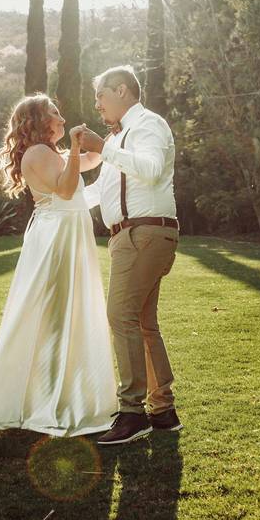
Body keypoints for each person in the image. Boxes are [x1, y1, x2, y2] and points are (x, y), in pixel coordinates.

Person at [0, 94, 118, 436]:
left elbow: (93, 159)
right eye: (54, 113)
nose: (61, 118)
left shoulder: (50, 153)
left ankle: (61, 392)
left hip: (63, 233)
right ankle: (49, 399)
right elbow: (66, 187)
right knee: (56, 314)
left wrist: (111, 138)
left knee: (62, 313)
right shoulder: (41, 153)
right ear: (37, 122)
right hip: (58, 238)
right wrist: (74, 149)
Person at [80, 66, 182, 446]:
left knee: (119, 315)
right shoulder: (120, 138)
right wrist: (55, 198)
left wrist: (102, 148)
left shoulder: (147, 126)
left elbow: (153, 171)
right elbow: (100, 192)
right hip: (132, 236)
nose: (97, 104)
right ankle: (162, 410)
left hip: (145, 233)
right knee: (141, 322)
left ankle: (131, 412)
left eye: (101, 95)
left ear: (122, 90)